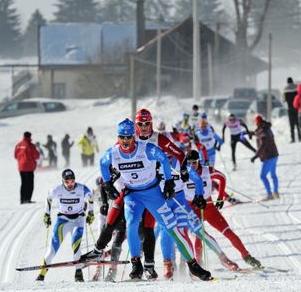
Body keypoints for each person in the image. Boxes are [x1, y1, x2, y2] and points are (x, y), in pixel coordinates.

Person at [83, 118, 211, 281]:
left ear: (134, 136)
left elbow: (164, 159)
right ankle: (136, 264)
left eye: (129, 137)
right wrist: (107, 184)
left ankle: (193, 265)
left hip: (152, 193)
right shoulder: (113, 152)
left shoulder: (147, 149)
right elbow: (102, 163)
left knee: (171, 227)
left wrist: (169, 183)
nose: (126, 141)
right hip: (132, 194)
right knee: (131, 223)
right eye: (122, 137)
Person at [159, 149, 239, 278]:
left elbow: (197, 179)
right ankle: (170, 264)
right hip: (164, 204)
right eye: (165, 157)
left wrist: (199, 195)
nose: (168, 160)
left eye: (170, 157)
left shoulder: (181, 165)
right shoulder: (156, 165)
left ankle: (224, 259)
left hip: (182, 205)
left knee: (199, 231)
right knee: (169, 233)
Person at [186, 151, 262, 269]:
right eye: (189, 163)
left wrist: (221, 197)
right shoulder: (183, 173)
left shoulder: (207, 170)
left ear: (199, 161)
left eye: (194, 162)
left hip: (208, 207)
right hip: (193, 208)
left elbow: (222, 178)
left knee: (227, 231)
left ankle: (247, 257)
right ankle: (199, 265)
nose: (192, 165)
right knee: (199, 235)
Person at [36, 169, 94, 282]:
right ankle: (41, 275)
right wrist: (47, 215)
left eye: (72, 181)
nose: (70, 184)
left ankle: (78, 273)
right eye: (67, 182)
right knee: (52, 249)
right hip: (63, 220)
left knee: (76, 246)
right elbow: (48, 198)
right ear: (63, 181)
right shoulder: (57, 189)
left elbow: (90, 197)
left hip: (78, 219)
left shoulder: (81, 188)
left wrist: (91, 213)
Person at [251, 115, 279, 201]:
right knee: (273, 175)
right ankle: (276, 193)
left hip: (269, 156)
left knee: (262, 176)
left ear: (257, 122)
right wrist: (248, 133)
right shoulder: (266, 127)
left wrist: (256, 156)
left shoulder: (263, 131)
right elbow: (258, 133)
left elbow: (262, 143)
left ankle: (269, 195)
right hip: (274, 155)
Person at [14, 131, 40, 204]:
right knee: (30, 184)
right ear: (30, 137)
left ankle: (22, 199)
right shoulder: (30, 145)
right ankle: (27, 199)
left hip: (21, 167)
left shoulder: (18, 145)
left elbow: (15, 155)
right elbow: (36, 155)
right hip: (29, 167)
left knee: (23, 183)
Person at [283, 77, 300, 143]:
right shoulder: (296, 87)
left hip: (290, 108)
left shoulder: (285, 89)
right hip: (296, 108)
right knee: (298, 124)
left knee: (291, 125)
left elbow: (284, 100)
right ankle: (300, 137)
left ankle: (293, 139)